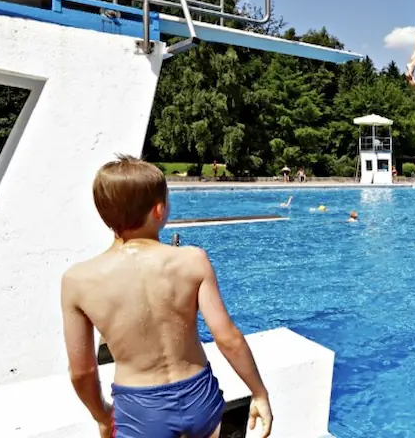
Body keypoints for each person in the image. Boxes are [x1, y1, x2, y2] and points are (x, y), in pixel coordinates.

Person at [61, 155, 272, 438]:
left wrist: (101, 415)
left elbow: (82, 372)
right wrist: (259, 393)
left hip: (139, 410)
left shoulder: (78, 280)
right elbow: (227, 337)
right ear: (159, 210)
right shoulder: (192, 260)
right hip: (200, 398)